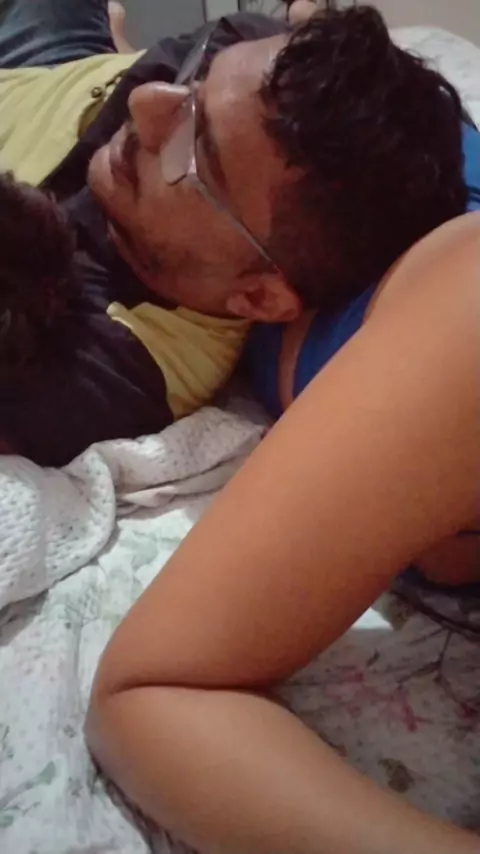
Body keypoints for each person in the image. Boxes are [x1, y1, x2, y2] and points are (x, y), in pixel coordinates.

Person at [0, 0, 472, 466]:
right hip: (64, 67)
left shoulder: (115, 366)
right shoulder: (245, 77)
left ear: (259, 298)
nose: (144, 103)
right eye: (194, 85)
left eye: (195, 148)